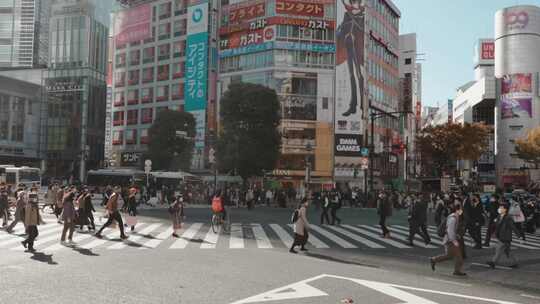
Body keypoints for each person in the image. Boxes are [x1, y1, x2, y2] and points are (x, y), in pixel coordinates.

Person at [430, 203, 467, 276]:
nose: (462, 211)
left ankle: (434, 259)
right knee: (459, 257)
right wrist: (454, 240)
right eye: (461, 210)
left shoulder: (455, 217)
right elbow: (450, 230)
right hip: (450, 240)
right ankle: (457, 271)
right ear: (458, 210)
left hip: (450, 239)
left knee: (449, 256)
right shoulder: (453, 218)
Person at [487, 203, 525, 269]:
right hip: (500, 236)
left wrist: (519, 236)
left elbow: (513, 227)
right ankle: (515, 263)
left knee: (498, 249)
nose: (499, 209)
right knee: (507, 251)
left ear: (505, 209)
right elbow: (497, 226)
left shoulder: (508, 218)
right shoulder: (499, 216)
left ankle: (493, 262)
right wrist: (494, 232)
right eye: (499, 208)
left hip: (506, 237)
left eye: (501, 208)